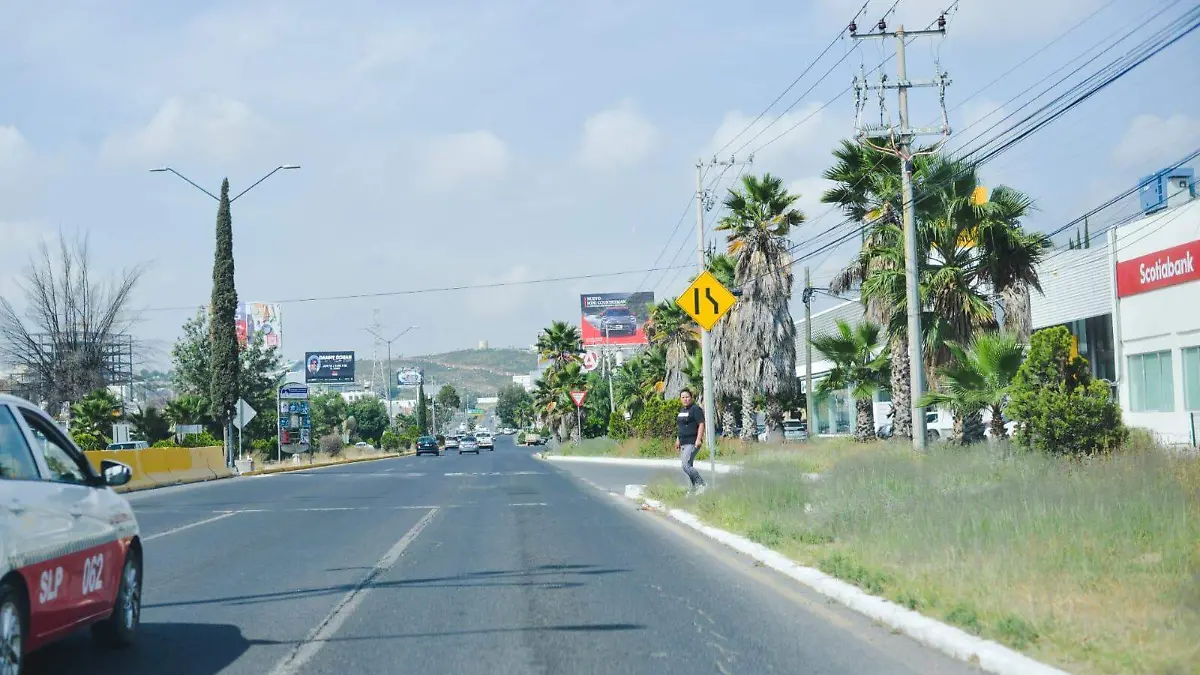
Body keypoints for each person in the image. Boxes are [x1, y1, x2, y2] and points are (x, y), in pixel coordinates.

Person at [675, 388, 707, 494]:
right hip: (683, 442)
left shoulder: (695, 409)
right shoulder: (681, 411)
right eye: (683, 397)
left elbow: (701, 424)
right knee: (687, 466)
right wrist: (678, 440)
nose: (685, 399)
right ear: (680, 399)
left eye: (687, 397)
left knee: (685, 465)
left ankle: (701, 484)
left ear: (691, 398)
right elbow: (680, 427)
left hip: (692, 441)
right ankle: (693, 488)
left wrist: (698, 439)